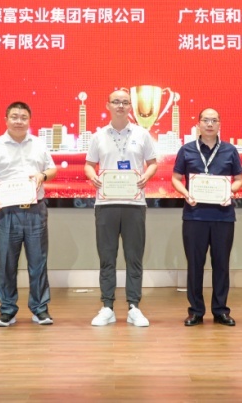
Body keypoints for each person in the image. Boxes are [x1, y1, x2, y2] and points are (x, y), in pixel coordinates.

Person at [0, 101, 57, 327]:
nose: (19, 121)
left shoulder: (39, 144)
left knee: (38, 261)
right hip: (7, 210)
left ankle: (40, 309)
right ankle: (7, 310)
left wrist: (43, 175)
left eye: (23, 117)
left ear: (29, 120)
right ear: (6, 120)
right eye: (14, 117)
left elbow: (52, 169)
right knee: (6, 262)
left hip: (35, 209)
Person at [84, 89, 158, 328]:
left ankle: (134, 306)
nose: (120, 106)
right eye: (116, 102)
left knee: (134, 257)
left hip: (134, 204)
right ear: (108, 105)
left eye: (125, 102)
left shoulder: (142, 134)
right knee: (107, 257)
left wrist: (146, 176)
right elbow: (89, 165)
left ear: (130, 107)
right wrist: (93, 176)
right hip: (106, 203)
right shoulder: (98, 136)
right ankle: (107, 307)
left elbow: (153, 163)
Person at [171, 108, 242, 327]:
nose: (210, 124)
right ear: (198, 124)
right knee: (195, 265)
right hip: (195, 216)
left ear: (220, 124)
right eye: (205, 120)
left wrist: (229, 192)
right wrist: (186, 194)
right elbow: (175, 178)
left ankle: (221, 311)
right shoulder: (186, 150)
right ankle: (196, 311)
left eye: (214, 120)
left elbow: (239, 178)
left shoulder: (230, 150)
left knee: (221, 265)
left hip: (223, 216)